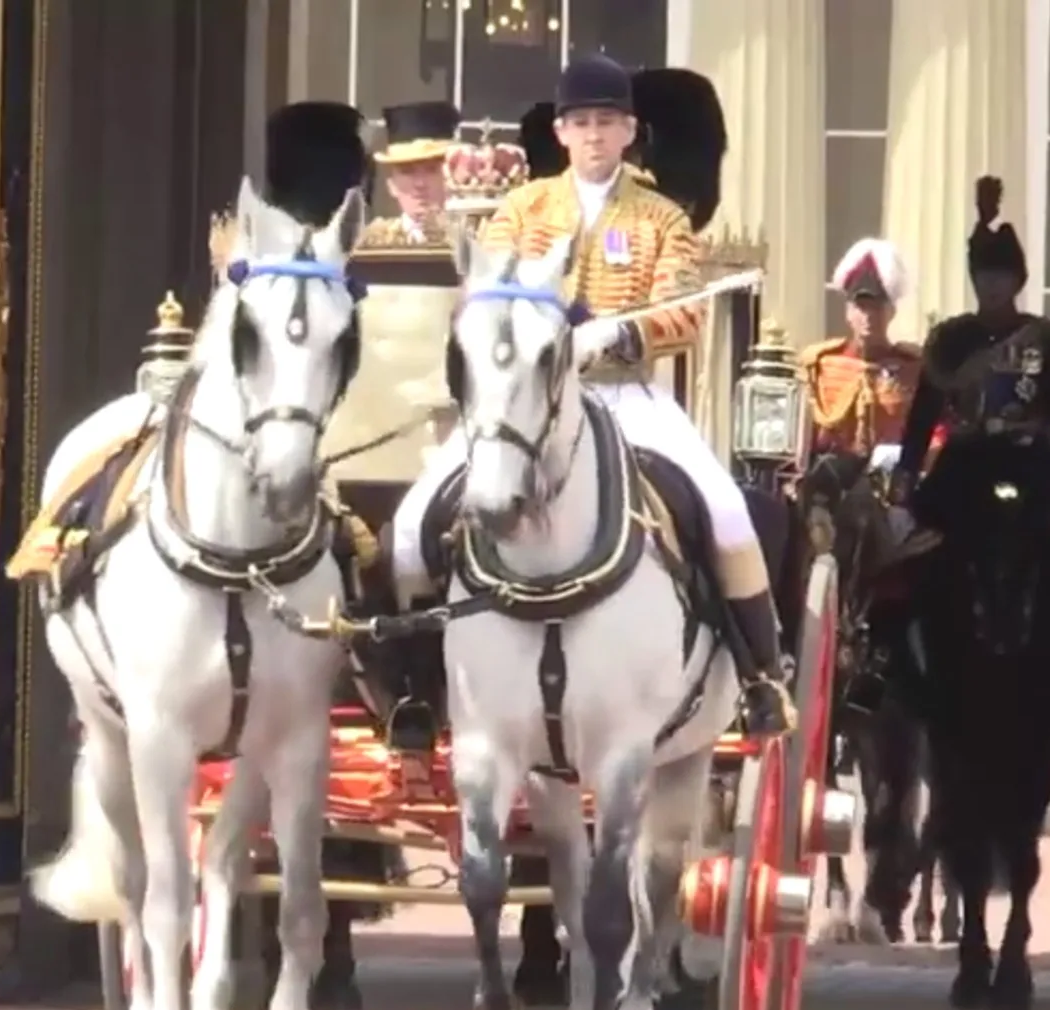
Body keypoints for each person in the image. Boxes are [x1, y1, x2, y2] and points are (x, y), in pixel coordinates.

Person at [388, 55, 795, 737]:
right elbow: (480, 294)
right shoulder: (522, 209)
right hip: (522, 402)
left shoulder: (662, 217)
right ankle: (419, 687)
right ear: (563, 131)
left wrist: (618, 334)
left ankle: (760, 677)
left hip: (625, 395)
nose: (595, 135)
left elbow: (683, 313)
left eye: (607, 122)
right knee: (407, 527)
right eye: (582, 123)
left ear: (630, 130)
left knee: (727, 513)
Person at [885, 175, 1050, 536]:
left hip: (1029, 459)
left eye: (1001, 277)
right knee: (926, 548)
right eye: (984, 277)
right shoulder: (950, 338)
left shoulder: (1044, 336)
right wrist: (906, 476)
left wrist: (1044, 437)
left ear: (1017, 281)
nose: (991, 286)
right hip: (967, 458)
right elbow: (922, 417)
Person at [798, 237, 924, 462]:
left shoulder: (912, 369)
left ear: (891, 312)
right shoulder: (820, 366)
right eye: (861, 307)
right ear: (848, 312)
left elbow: (934, 431)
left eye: (877, 307)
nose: (868, 317)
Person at [359, 100, 460, 247]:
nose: (420, 184)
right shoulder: (370, 243)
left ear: (452, 176)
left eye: (432, 170)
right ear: (391, 184)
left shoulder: (479, 241)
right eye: (407, 172)